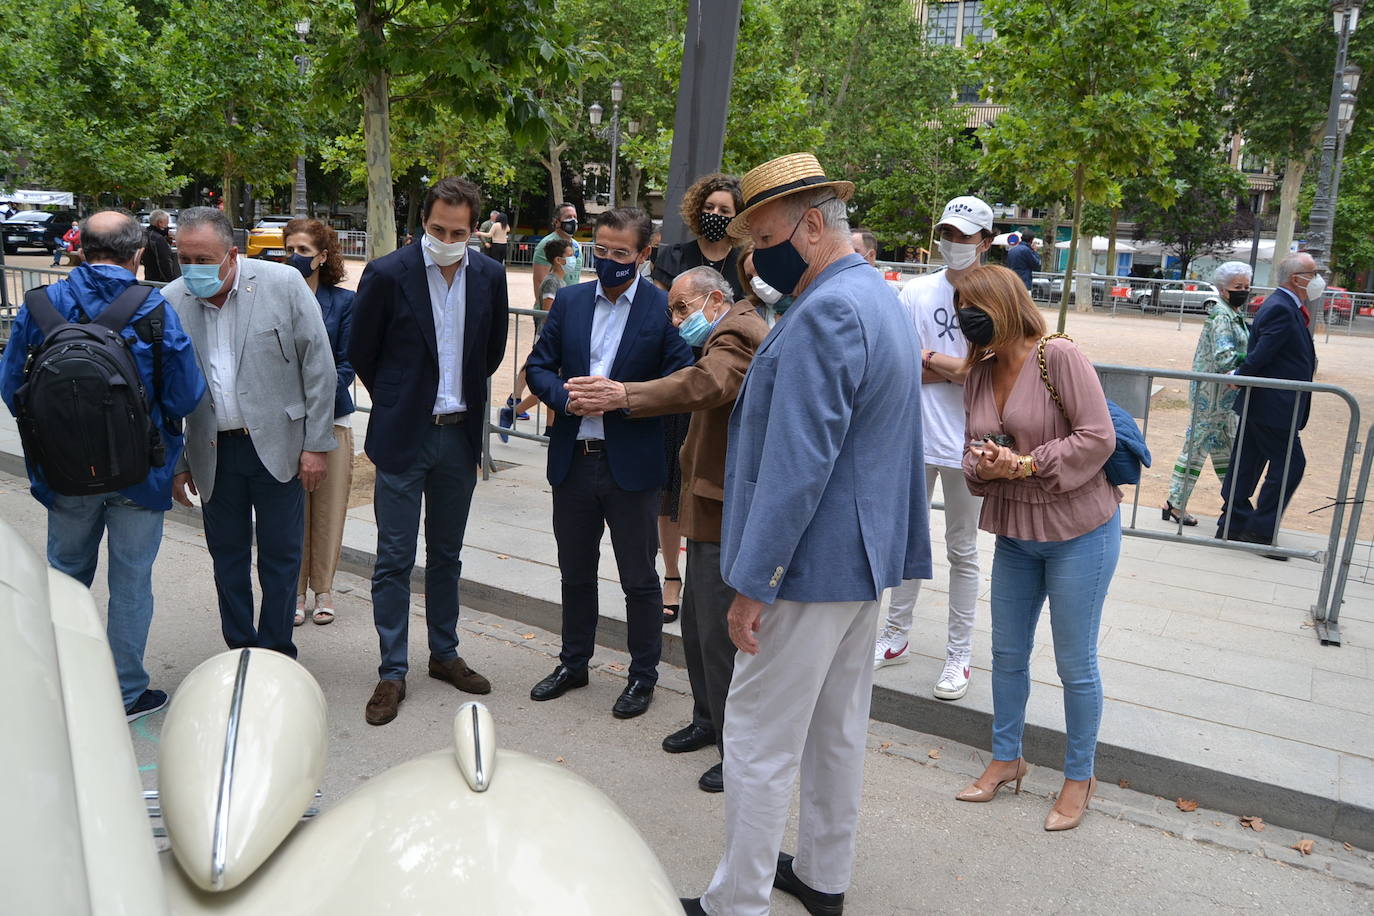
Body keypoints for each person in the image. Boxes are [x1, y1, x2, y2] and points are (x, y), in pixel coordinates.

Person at [682, 154, 930, 916]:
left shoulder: (827, 311)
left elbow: (799, 466)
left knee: (757, 735)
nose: (756, 258)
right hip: (860, 559)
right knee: (835, 731)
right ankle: (823, 877)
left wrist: (753, 584)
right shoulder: (873, 295)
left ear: (813, 226)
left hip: (808, 565)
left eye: (764, 238)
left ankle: (737, 903)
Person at [565, 266, 768, 794]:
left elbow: (706, 384)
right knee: (698, 628)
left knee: (720, 636)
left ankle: (736, 750)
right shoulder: (723, 328)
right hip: (706, 501)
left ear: (715, 298)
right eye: (672, 310)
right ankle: (707, 720)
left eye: (682, 308)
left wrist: (623, 395)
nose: (676, 320)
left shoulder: (737, 330)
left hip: (723, 506)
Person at [0, 210, 205, 721]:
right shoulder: (153, 308)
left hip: (64, 471)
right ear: (139, 254)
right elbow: (185, 394)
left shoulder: (40, 304)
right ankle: (125, 692)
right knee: (131, 583)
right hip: (142, 472)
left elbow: (11, 386)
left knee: (66, 576)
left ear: (78, 250)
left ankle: (61, 683)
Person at [951, 264, 1120, 832]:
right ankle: (1007, 758)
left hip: (1080, 532)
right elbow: (971, 447)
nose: (964, 315)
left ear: (1003, 304)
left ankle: (1080, 776)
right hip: (1016, 533)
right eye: (959, 305)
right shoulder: (979, 371)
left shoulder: (1057, 355)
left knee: (1075, 664)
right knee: (1006, 655)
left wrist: (1025, 463)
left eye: (974, 304)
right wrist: (984, 464)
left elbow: (1098, 436)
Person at [349, 178, 510, 726]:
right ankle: (392, 671)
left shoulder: (488, 275)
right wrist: (399, 400)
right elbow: (362, 350)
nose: (446, 239)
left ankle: (444, 653)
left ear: (474, 230)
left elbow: (490, 352)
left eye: (458, 233)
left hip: (458, 436)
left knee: (447, 554)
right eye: (438, 229)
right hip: (404, 435)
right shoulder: (387, 273)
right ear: (423, 221)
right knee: (394, 558)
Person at [524, 207, 694, 720]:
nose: (609, 260)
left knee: (639, 579)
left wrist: (623, 396)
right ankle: (573, 663)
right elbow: (538, 365)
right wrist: (566, 399)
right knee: (575, 573)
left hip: (631, 466)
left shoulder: (661, 308)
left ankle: (643, 675)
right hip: (573, 460)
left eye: (621, 252)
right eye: (600, 250)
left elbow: (681, 379)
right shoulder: (571, 301)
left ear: (643, 254)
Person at [167, 206, 337, 661]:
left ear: (232, 255)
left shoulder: (283, 284)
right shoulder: (171, 300)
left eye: (204, 260)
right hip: (212, 452)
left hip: (280, 446)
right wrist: (177, 462)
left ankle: (276, 652)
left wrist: (316, 444)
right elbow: (165, 389)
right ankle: (240, 647)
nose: (193, 269)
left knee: (281, 557)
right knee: (228, 557)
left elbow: (319, 367)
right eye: (185, 259)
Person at [873, 195, 993, 703]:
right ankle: (895, 635)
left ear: (985, 241)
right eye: (947, 233)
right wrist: (953, 367)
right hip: (914, 435)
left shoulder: (998, 294)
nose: (953, 243)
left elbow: (987, 371)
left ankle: (958, 653)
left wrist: (933, 361)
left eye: (965, 236)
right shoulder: (916, 291)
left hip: (972, 442)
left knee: (963, 550)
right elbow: (898, 363)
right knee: (906, 541)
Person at [650, 174, 746, 624]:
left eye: (726, 211)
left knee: (712, 487)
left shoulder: (746, 262)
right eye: (710, 208)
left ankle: (711, 578)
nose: (716, 216)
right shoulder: (672, 257)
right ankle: (672, 574)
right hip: (677, 379)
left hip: (725, 389)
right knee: (672, 486)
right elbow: (658, 318)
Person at [1215, 252, 1319, 558]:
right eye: (1313, 273)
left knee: (1247, 463)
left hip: (1267, 402)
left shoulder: (1284, 305)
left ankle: (1233, 523)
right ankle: (1259, 531)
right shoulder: (1281, 307)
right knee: (1291, 465)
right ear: (1296, 278)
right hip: (1272, 403)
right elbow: (1263, 352)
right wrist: (1241, 376)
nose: (1317, 280)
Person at [282, 218, 356, 626]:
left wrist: (316, 396)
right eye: (289, 249)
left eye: (304, 251)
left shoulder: (344, 303)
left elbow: (347, 364)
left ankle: (323, 589)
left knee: (328, 509)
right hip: (285, 419)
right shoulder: (275, 297)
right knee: (291, 511)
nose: (294, 257)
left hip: (332, 417)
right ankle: (293, 591)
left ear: (322, 256)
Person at [1164, 261, 1252, 526]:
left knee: (1228, 451)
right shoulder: (1222, 316)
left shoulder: (1231, 312)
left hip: (1224, 397)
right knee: (1197, 449)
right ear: (1223, 289)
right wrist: (1255, 360)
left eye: (1246, 286)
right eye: (1238, 286)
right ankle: (1175, 503)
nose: (1244, 291)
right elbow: (1224, 356)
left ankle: (1236, 506)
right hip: (1211, 397)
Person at [500, 237, 571, 438]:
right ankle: (514, 413)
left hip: (555, 339)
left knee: (554, 383)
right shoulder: (552, 282)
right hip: (549, 340)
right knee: (551, 384)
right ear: (558, 260)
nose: (573, 259)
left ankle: (548, 428)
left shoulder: (560, 281)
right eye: (570, 255)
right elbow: (548, 314)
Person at [531, 202, 583, 298]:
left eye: (575, 217)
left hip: (569, 303)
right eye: (568, 217)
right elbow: (539, 283)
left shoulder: (576, 246)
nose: (573, 220)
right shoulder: (547, 245)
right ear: (557, 222)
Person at [736, 240, 792, 323]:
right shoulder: (752, 316)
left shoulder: (809, 298)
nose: (755, 281)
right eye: (750, 277)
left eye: (759, 270)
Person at [143, 210, 180, 283]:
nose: (167, 226)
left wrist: (167, 240)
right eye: (166, 223)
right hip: (160, 281)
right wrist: (170, 282)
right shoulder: (158, 239)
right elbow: (164, 263)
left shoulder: (146, 234)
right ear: (160, 223)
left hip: (149, 278)